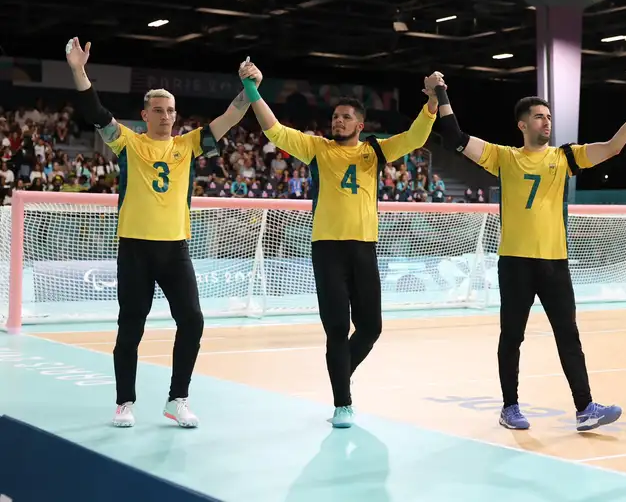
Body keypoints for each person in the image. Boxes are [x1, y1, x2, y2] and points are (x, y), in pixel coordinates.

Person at [430, 79, 626, 432]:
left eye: (548, 116)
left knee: (568, 336)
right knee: (511, 336)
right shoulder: (504, 157)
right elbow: (455, 136)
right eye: (539, 117)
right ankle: (510, 407)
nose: (546, 122)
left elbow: (613, 147)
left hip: (554, 263)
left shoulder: (564, 157)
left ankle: (585, 408)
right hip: (515, 262)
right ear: (522, 125)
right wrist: (441, 93)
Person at [239, 61, 442, 428]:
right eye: (335, 116)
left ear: (360, 125)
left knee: (372, 328)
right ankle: (342, 403)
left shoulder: (375, 152)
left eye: (346, 117)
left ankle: (339, 372)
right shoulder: (317, 149)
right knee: (336, 328)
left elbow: (414, 137)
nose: (338, 121)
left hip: (364, 248)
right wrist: (253, 88)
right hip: (327, 249)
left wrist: (432, 101)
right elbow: (275, 130)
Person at [64, 38, 254, 429]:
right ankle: (124, 402)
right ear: (144, 114)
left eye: (170, 111)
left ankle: (177, 399)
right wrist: (78, 70)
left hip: (175, 250)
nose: (166, 116)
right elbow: (94, 111)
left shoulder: (190, 144)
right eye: (158, 110)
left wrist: (250, 85)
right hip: (135, 249)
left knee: (193, 321)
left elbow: (231, 117)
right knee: (131, 326)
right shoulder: (128, 144)